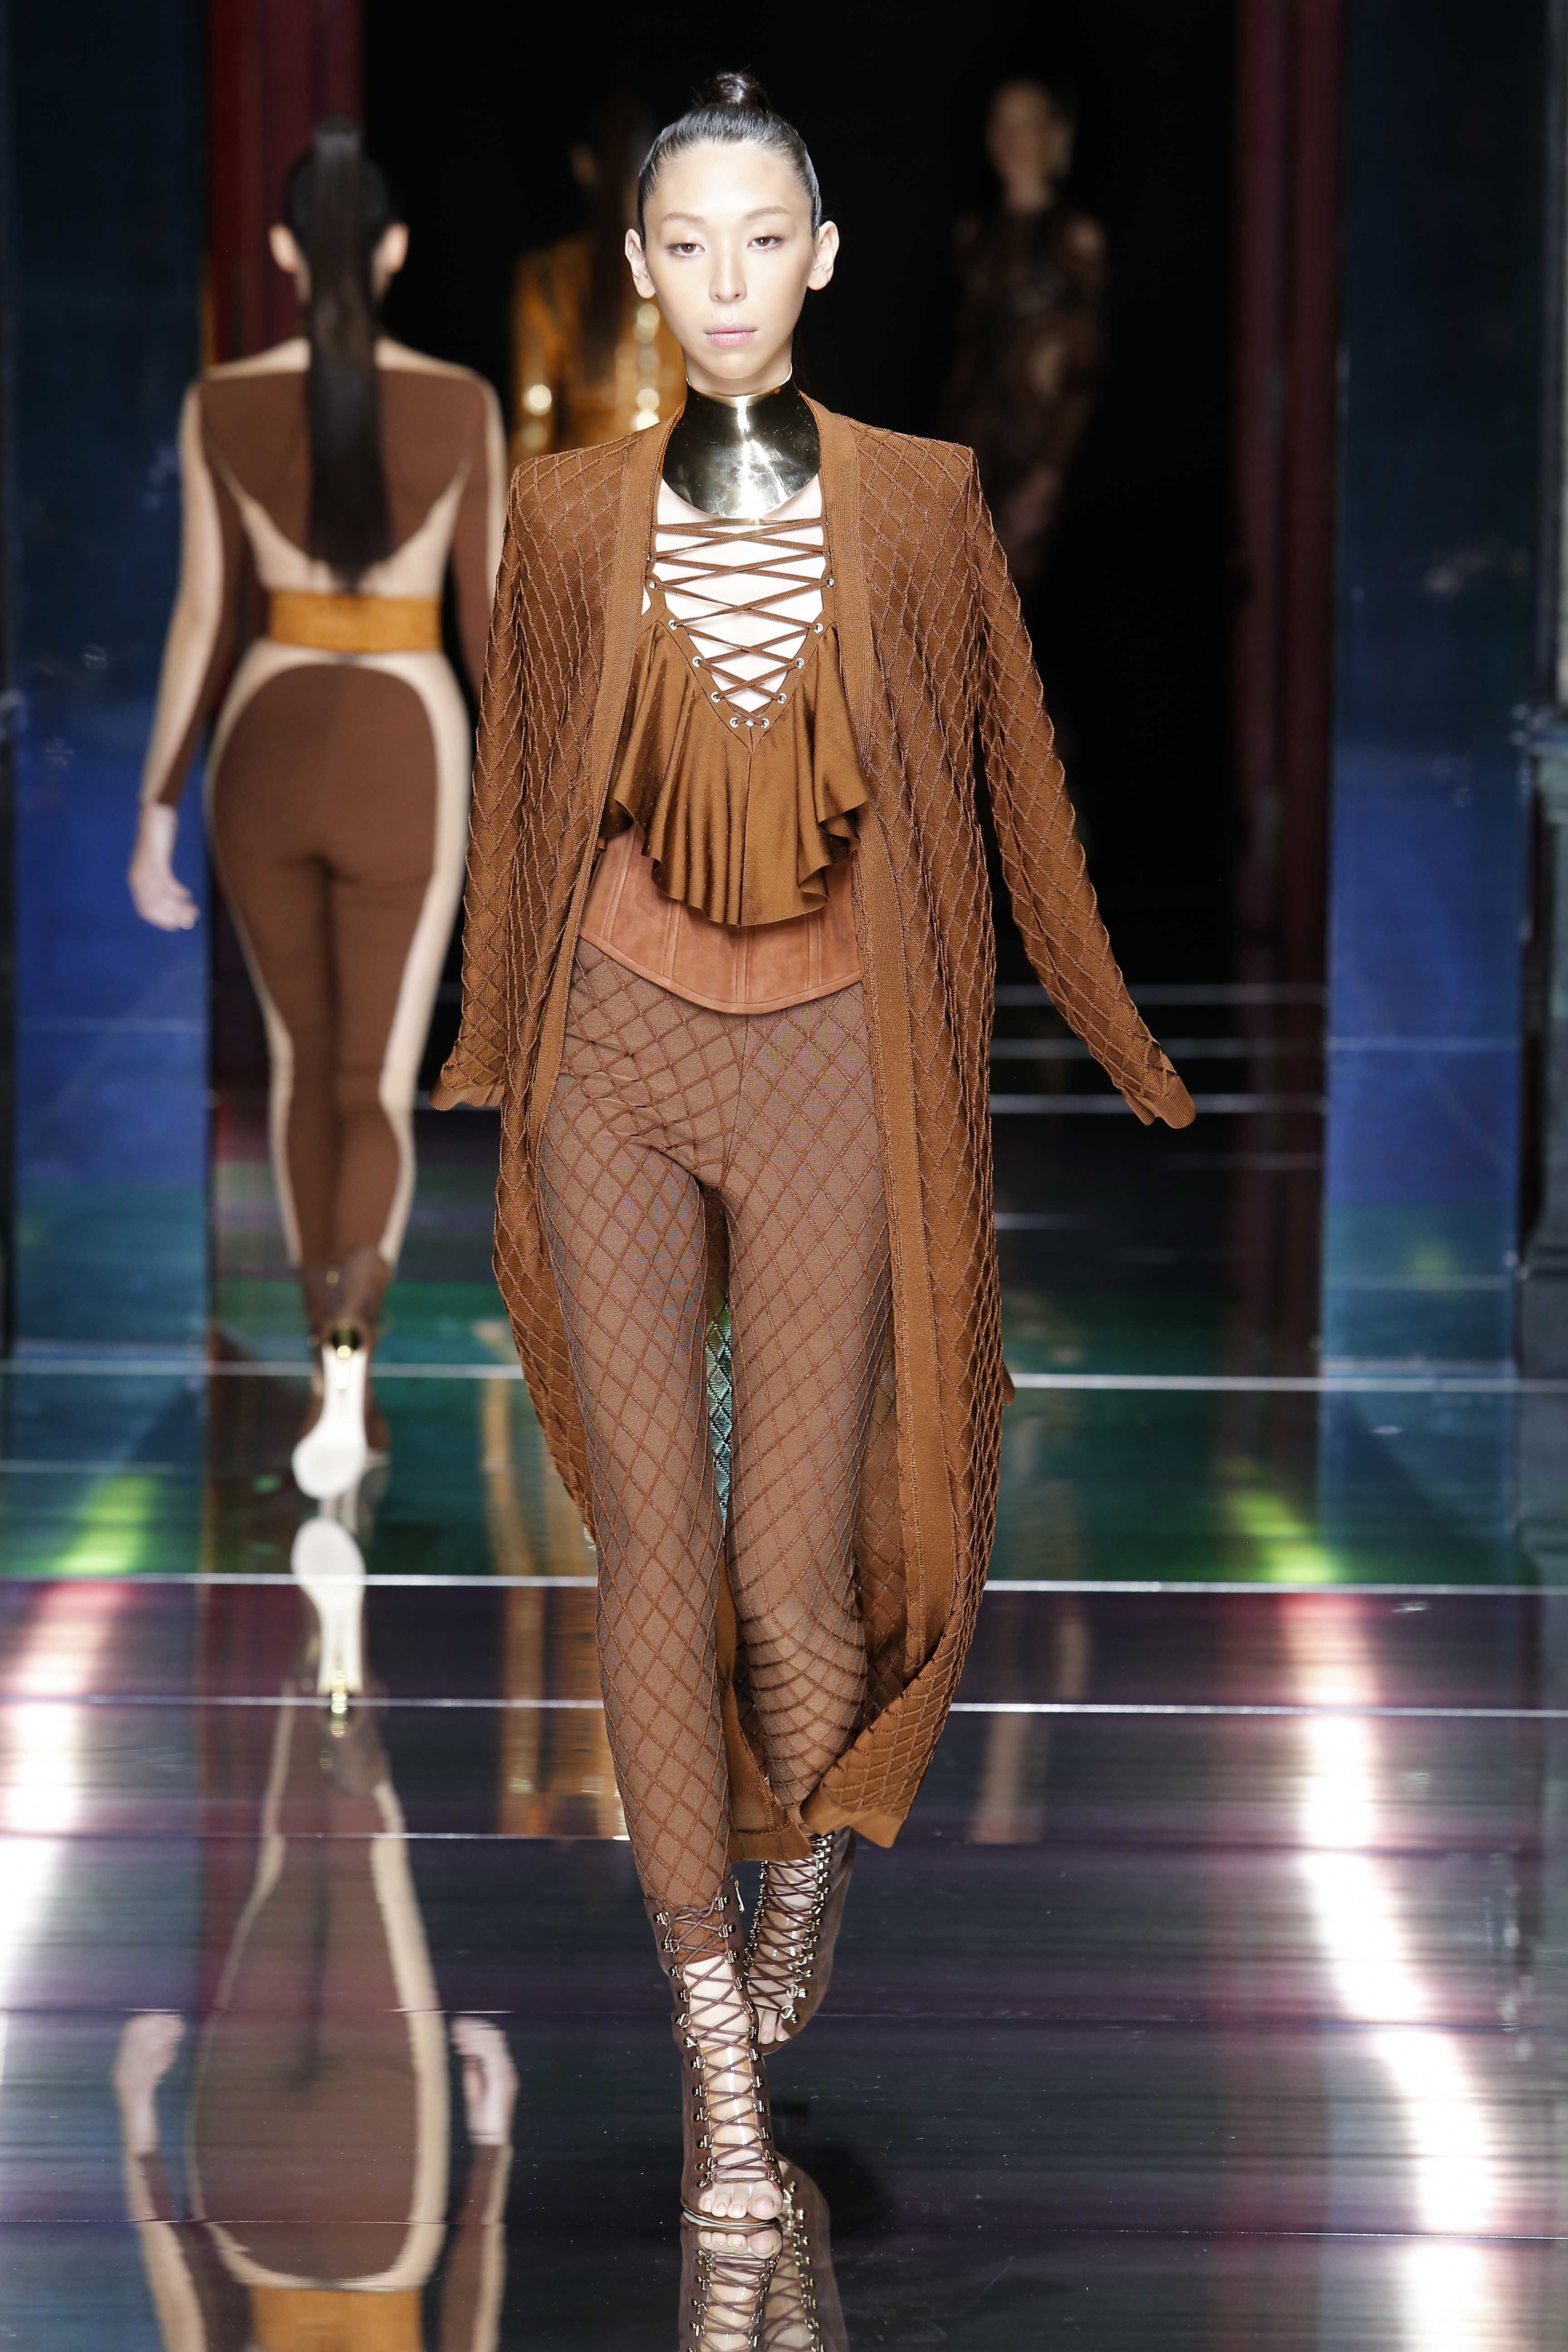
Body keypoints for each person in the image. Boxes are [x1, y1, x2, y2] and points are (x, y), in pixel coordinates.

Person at [435, 71, 1193, 2237]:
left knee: (791, 1575)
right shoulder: (563, 512)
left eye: (763, 239)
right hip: (613, 1039)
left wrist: (1113, 1029)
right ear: (639, 263)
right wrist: (492, 1043)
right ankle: (714, 2052)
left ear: (826, 258)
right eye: (687, 244)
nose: (725, 281)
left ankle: (805, 1864)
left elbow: (1020, 779)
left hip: (837, 1047)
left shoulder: (925, 503)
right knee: (650, 1557)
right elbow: (524, 794)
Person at [129, 119, 506, 1499]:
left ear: (288, 251)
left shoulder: (220, 401)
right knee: (374, 1086)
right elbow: (492, 628)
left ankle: (320, 1370)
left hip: (266, 738)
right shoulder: (460, 404)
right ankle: (356, 1355)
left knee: (299, 1077)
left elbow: (202, 619)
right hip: (409, 737)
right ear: (393, 250)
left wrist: (155, 808)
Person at [113, 1516, 517, 2349]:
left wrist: (493, 2140)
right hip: (251, 2211)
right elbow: (184, 2310)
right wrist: (137, 2124)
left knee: (366, 1861)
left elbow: (471, 2316)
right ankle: (320, 1642)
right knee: (284, 1865)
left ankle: (344, 1680)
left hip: (382, 2220)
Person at [944, 76, 1107, 587]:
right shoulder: (974, 237)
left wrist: (1048, 476)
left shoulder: (1076, 241)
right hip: (970, 459)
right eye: (1003, 125)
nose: (1012, 140)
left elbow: (1084, 372)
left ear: (1053, 136)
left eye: (1027, 126)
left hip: (1041, 461)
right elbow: (964, 359)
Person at [511, 88, 686, 461]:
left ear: (585, 165)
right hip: (674, 485)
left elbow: (534, 427)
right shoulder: (691, 263)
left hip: (594, 487)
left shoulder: (551, 273)